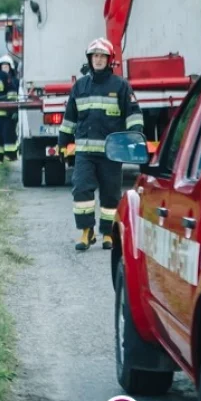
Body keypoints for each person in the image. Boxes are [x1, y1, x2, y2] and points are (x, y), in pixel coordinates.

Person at [57, 37, 143, 251]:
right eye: (95, 56)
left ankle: (108, 233)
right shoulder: (80, 86)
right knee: (81, 190)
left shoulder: (121, 86)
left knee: (110, 194)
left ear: (109, 59)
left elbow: (133, 114)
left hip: (111, 152)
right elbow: (69, 118)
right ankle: (87, 232)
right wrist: (62, 142)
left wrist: (134, 136)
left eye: (102, 56)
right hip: (85, 152)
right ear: (90, 59)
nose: (98, 60)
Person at [0, 55, 19, 161]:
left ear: (10, 67)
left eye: (6, 66)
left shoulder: (15, 80)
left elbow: (18, 96)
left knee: (9, 133)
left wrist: (16, 111)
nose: (4, 68)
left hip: (11, 112)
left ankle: (12, 155)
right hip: (0, 111)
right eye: (2, 66)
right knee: (0, 133)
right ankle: (1, 156)